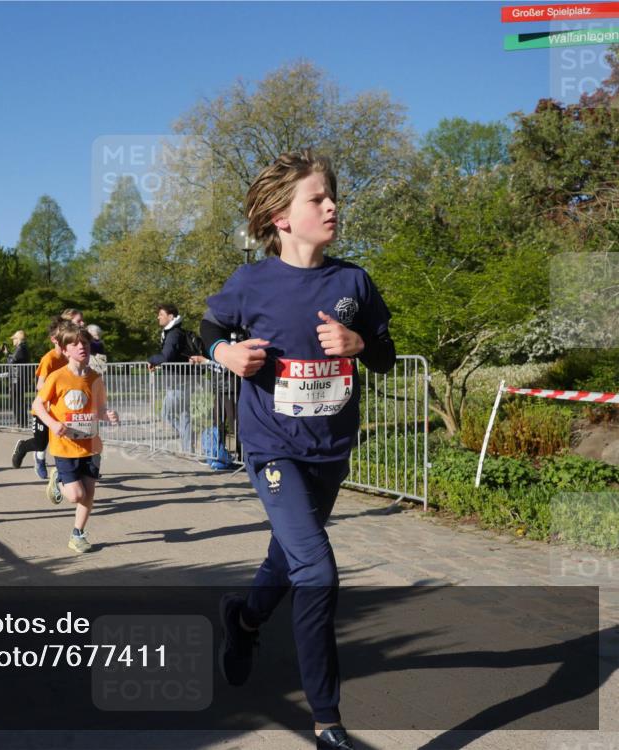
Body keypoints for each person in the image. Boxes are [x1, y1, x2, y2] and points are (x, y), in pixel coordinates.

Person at [202, 150, 395, 750]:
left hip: (330, 451)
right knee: (316, 569)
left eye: (331, 196)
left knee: (287, 559)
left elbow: (386, 354)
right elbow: (211, 327)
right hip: (271, 448)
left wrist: (359, 341)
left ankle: (244, 618)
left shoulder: (352, 282)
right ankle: (327, 719)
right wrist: (223, 354)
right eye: (318, 199)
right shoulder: (251, 281)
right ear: (282, 218)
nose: (332, 205)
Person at [31, 321, 118, 553]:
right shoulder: (57, 377)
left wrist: (108, 415)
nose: (82, 347)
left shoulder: (95, 378)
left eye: (86, 343)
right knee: (75, 495)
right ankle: (58, 477)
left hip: (91, 445)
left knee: (89, 492)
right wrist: (52, 423)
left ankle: (77, 533)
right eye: (76, 344)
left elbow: (99, 409)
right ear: (66, 349)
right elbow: (38, 404)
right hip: (65, 446)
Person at [10, 316, 70, 479]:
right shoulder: (49, 359)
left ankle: (66, 473)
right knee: (40, 443)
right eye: (63, 335)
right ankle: (22, 447)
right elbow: (39, 385)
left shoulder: (69, 358)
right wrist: (55, 392)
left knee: (63, 439)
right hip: (43, 409)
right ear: (54, 339)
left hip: (60, 409)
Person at [147, 304, 194, 454]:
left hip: (177, 382)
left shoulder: (173, 333)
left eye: (161, 314)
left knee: (166, 414)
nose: (158, 317)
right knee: (183, 414)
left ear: (171, 317)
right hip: (183, 380)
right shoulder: (175, 332)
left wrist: (151, 359)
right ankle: (188, 449)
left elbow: (166, 357)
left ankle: (188, 440)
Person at [4, 330, 30, 428]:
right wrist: (8, 353)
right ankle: (21, 422)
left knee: (17, 400)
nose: (13, 341)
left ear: (18, 339)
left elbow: (12, 362)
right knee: (18, 399)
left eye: (14, 339)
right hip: (19, 377)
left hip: (18, 378)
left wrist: (7, 354)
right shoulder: (22, 347)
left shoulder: (21, 348)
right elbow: (14, 360)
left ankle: (20, 422)